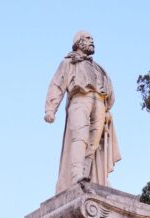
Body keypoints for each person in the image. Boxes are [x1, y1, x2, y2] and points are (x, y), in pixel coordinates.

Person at [45, 31, 121, 193]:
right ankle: (76, 176)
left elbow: (109, 89)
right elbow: (57, 84)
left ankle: (87, 177)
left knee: (94, 144)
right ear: (78, 42)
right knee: (80, 137)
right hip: (80, 99)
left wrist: (107, 107)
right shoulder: (68, 63)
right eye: (88, 38)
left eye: (92, 38)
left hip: (99, 102)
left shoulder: (98, 67)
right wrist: (50, 109)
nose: (92, 41)